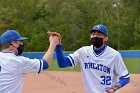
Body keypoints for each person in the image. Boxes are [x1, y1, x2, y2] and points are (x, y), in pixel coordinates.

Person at [50, 24, 130, 93]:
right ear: (90, 37)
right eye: (93, 34)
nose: (95, 36)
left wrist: (116, 86)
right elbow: (62, 63)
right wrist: (58, 45)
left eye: (99, 34)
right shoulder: (83, 52)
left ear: (105, 38)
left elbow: (125, 77)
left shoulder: (114, 55)